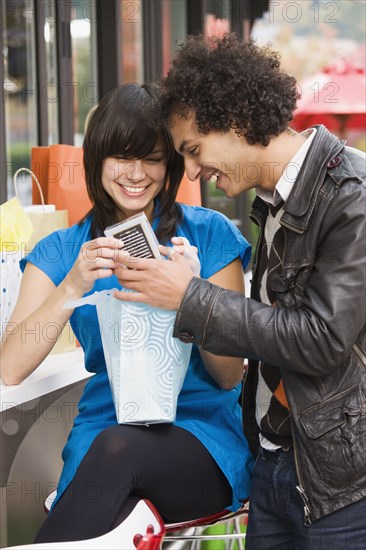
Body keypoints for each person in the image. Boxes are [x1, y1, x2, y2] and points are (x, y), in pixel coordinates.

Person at [115, 35, 366, 549]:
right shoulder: (275, 201)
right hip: (275, 467)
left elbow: (319, 339)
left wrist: (190, 296)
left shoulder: (350, 196)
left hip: (340, 486)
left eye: (193, 150)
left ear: (234, 118)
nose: (189, 173)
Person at [1, 82, 253, 543]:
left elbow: (229, 375)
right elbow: (10, 369)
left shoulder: (209, 235)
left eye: (153, 158)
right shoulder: (61, 250)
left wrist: (190, 298)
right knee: (110, 456)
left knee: (117, 451)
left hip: (198, 442)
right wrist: (71, 287)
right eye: (121, 156)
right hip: (101, 440)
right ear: (96, 159)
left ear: (171, 164)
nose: (136, 174)